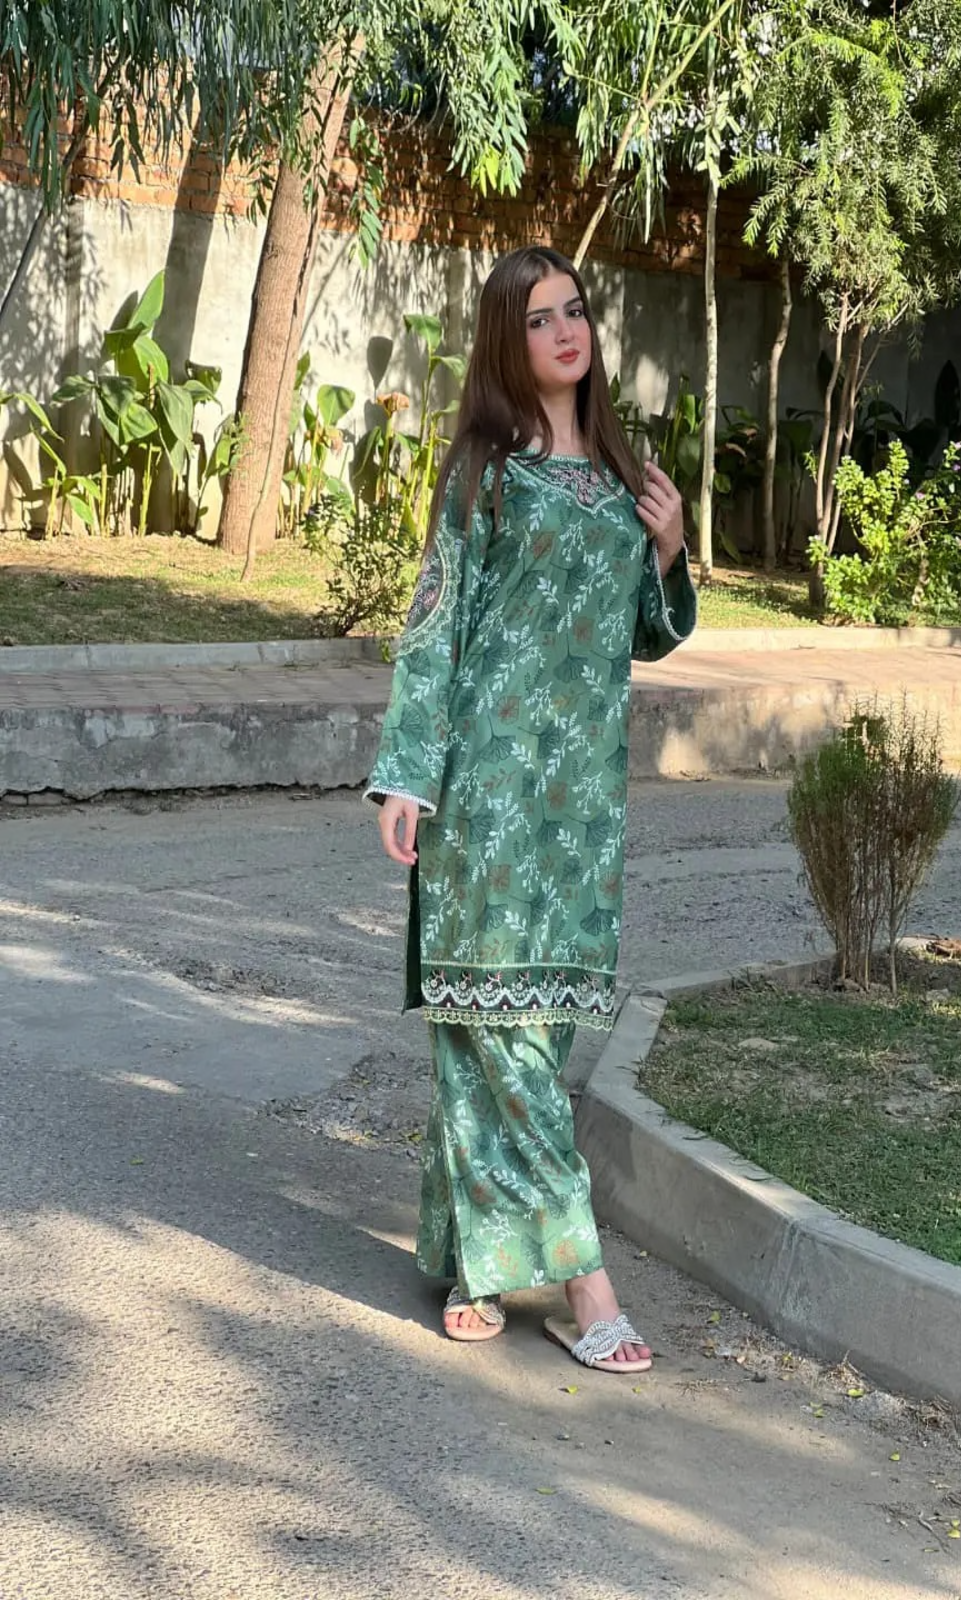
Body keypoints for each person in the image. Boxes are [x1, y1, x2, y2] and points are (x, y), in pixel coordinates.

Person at [365, 245, 696, 1372]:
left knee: (524, 1035)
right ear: (507, 342)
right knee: (498, 1031)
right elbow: (434, 624)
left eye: (575, 311)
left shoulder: (620, 480)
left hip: (578, 805)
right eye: (539, 317)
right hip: (486, 798)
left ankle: (472, 1262)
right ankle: (586, 1287)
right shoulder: (484, 470)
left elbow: (644, 632)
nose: (565, 331)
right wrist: (408, 774)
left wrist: (668, 550)